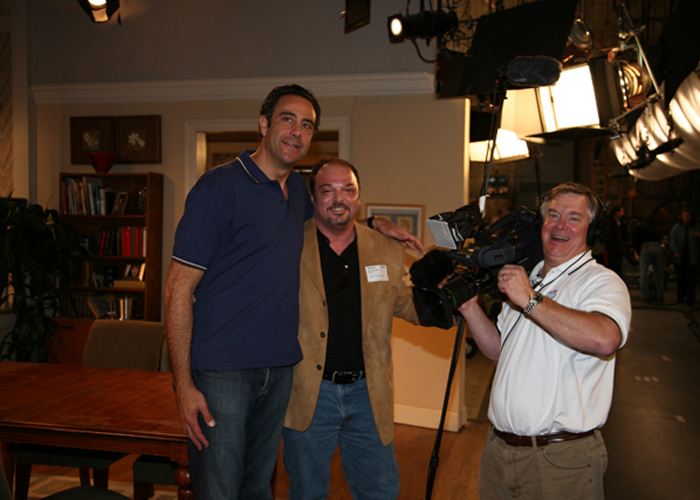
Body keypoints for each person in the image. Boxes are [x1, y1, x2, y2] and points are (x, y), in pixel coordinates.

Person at [164, 85, 422, 499]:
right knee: (218, 489)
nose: (296, 131)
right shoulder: (219, 187)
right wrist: (183, 384)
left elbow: (334, 217)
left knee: (257, 488)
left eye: (307, 125)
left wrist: (376, 225)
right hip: (224, 369)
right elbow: (178, 287)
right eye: (287, 119)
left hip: (281, 369)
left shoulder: (297, 193)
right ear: (263, 124)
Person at [457, 182, 632, 500]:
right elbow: (499, 354)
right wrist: (469, 308)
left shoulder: (601, 281)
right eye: (553, 215)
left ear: (591, 230)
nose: (561, 225)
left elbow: (605, 338)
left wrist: (530, 300)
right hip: (498, 452)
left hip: (560, 461)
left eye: (574, 218)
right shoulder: (529, 278)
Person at [282, 158, 422, 500]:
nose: (338, 198)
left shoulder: (385, 248)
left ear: (358, 198)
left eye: (348, 190)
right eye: (327, 190)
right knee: (307, 493)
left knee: (380, 492)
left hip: (368, 394)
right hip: (310, 395)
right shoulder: (288, 244)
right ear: (312, 198)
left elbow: (406, 304)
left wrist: (449, 297)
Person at [669, 208, 700, 305]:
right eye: (684, 216)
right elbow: (672, 239)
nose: (686, 218)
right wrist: (675, 251)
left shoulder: (696, 227)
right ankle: (680, 297)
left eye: (688, 216)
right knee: (680, 277)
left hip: (692, 256)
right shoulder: (677, 227)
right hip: (680, 256)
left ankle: (690, 298)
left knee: (690, 278)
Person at [630, 218, 665, 303]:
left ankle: (644, 296)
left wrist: (638, 253)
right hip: (657, 246)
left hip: (646, 247)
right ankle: (660, 296)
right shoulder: (649, 227)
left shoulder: (635, 229)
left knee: (644, 272)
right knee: (659, 272)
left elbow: (636, 241)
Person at [603, 203, 626, 279]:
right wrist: (619, 249)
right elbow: (611, 239)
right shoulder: (610, 223)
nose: (623, 214)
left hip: (615, 252)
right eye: (622, 212)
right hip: (612, 253)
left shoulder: (615, 223)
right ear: (616, 212)